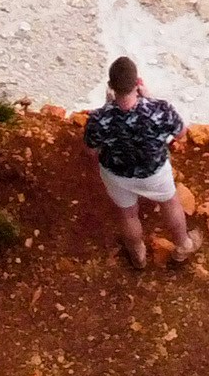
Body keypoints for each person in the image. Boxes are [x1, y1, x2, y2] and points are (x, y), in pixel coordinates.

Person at [84, 56, 197, 272]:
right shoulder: (160, 110)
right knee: (170, 204)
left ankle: (138, 254)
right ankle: (183, 245)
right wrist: (150, 99)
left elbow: (90, 151)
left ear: (110, 87)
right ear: (138, 83)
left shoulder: (98, 119)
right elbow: (181, 134)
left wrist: (108, 107)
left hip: (117, 175)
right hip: (154, 172)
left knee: (128, 214)